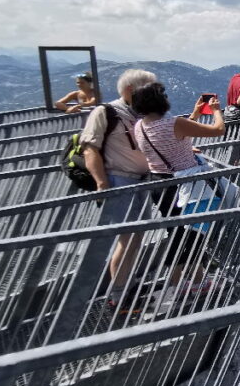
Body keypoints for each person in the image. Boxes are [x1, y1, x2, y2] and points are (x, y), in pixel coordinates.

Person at [131, 82, 226, 316]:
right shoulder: (174, 124)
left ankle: (188, 281)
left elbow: (168, 142)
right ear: (161, 101)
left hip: (159, 185)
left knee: (177, 233)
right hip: (185, 186)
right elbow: (218, 130)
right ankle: (186, 284)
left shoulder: (140, 127)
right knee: (192, 234)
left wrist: (194, 114)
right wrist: (215, 110)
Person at [78, 69, 158, 311]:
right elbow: (90, 149)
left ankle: (126, 288)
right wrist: (103, 186)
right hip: (119, 182)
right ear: (131, 90)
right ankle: (119, 297)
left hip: (140, 182)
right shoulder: (106, 112)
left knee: (134, 239)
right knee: (127, 239)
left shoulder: (143, 114)